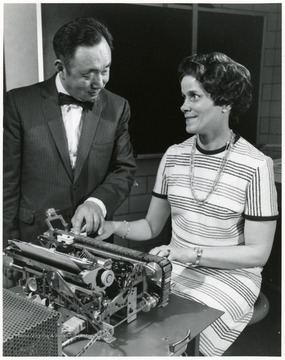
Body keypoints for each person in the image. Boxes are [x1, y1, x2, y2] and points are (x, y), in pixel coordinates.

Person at [95, 52, 279, 356]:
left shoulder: (256, 165)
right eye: (184, 96)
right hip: (173, 269)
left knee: (181, 342)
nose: (183, 105)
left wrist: (189, 253)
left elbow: (258, 254)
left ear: (225, 102)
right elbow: (151, 226)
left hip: (231, 277)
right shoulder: (174, 156)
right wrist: (111, 226)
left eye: (194, 96)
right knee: (131, 330)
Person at [3, 17, 136, 248]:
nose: (100, 83)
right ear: (61, 68)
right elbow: (6, 184)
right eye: (88, 75)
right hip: (33, 241)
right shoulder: (18, 104)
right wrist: (7, 248)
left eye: (105, 70)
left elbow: (123, 170)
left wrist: (97, 203)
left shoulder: (118, 107)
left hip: (94, 242)